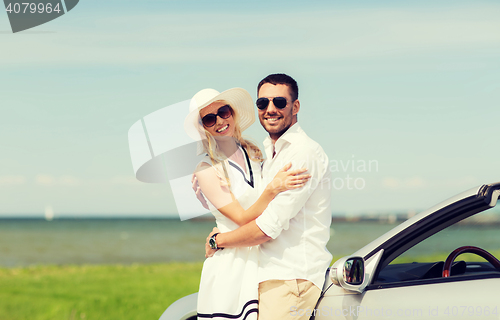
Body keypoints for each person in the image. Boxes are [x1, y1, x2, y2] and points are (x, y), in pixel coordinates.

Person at [204, 74, 332, 320]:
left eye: (279, 103)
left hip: (290, 277)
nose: (270, 109)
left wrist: (218, 241)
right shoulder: (268, 153)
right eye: (263, 103)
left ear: (295, 107)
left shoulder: (302, 153)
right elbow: (251, 207)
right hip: (266, 275)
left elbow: (266, 228)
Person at [184, 87, 311, 320]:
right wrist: (274, 187)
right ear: (204, 128)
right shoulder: (206, 169)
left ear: (232, 112)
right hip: (231, 266)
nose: (220, 121)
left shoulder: (254, 152)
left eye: (223, 112)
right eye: (209, 119)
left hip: (261, 259)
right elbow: (241, 218)